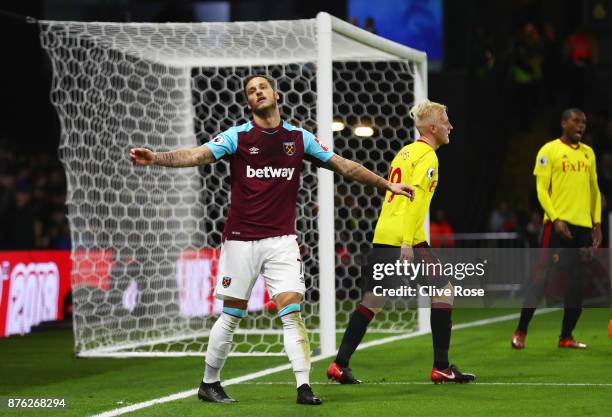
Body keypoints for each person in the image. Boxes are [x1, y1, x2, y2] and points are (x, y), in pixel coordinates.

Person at [129, 74, 414, 405]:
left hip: (282, 240)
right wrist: (157, 157)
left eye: (262, 87)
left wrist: (386, 185)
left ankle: (303, 387)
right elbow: (197, 155)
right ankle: (209, 382)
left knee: (291, 311)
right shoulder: (237, 136)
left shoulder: (298, 138)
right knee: (232, 315)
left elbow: (344, 166)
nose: (257, 92)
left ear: (276, 94)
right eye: (251, 91)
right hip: (240, 240)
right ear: (248, 103)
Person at [327, 100, 475, 385]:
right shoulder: (429, 157)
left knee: (372, 301)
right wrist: (408, 242)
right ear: (432, 128)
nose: (450, 126)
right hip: (405, 237)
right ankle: (441, 366)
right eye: (446, 121)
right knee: (444, 290)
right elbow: (414, 201)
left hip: (384, 233)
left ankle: (339, 364)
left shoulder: (405, 152)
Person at [511, 108, 601, 349]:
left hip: (582, 227)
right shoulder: (549, 150)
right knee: (542, 277)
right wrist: (555, 217)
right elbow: (541, 189)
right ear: (564, 123)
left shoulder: (588, 154)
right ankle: (521, 331)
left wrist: (597, 223)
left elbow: (594, 190)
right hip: (556, 225)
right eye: (576, 121)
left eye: (584, 122)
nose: (581, 125)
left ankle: (566, 336)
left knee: (578, 283)